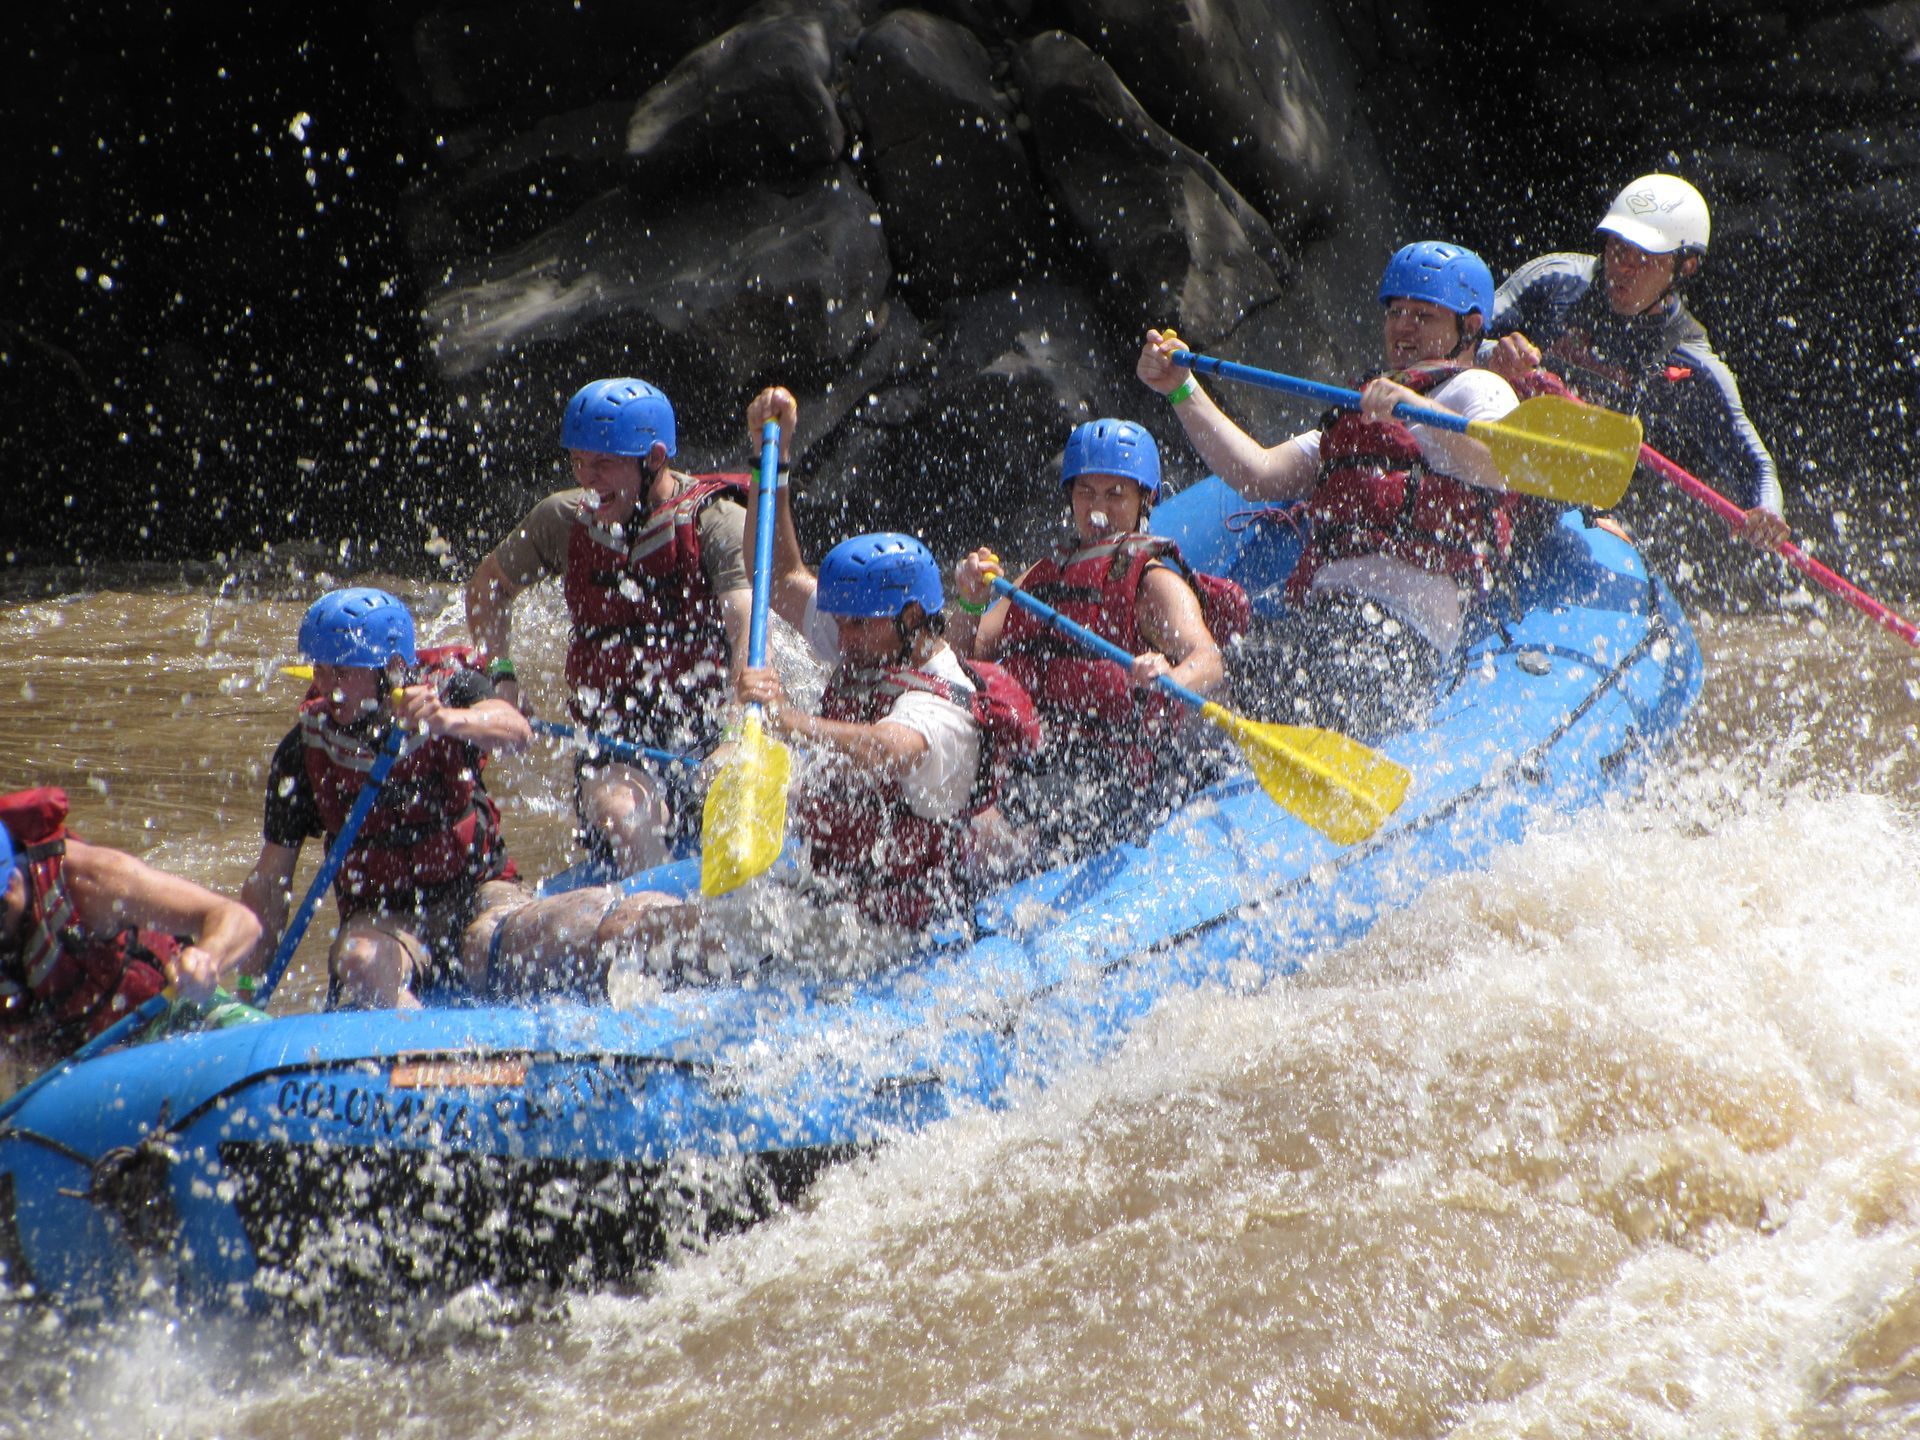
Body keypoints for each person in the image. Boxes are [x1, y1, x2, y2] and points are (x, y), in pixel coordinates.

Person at [487, 525, 1040, 991]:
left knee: (627, 929)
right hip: (823, 898)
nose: (841, 638)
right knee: (624, 916)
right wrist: (772, 461)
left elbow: (886, 750)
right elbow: (777, 577)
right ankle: (502, 934)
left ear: (913, 616)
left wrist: (787, 721)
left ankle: (509, 968)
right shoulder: (875, 641)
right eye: (840, 621)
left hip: (879, 935)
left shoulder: (942, 708)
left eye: (856, 625)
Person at [1137, 240, 1550, 738]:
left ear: (1471, 327)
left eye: (1424, 315)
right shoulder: (1362, 412)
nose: (1404, 326)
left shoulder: (1478, 390)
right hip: (1324, 622)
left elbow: (1501, 466)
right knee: (1208, 683)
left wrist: (1413, 410)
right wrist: (1182, 389)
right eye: (1397, 311)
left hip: (1399, 640)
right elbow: (1258, 475)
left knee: (1236, 686)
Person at [464, 377, 762, 876]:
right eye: (579, 462)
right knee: (627, 818)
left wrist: (737, 732)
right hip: (612, 743)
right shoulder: (561, 520)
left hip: (708, 734)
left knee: (771, 790)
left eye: (603, 464)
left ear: (655, 458)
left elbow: (747, 632)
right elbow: (487, 589)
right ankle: (654, 920)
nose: (587, 478)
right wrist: (502, 676)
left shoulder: (714, 522)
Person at [948, 418, 1241, 864]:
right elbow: (959, 658)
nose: (1097, 508)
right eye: (1086, 492)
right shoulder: (1045, 574)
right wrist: (969, 604)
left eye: (1114, 494)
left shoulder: (1151, 580)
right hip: (1040, 758)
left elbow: (1209, 660)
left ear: (1146, 499)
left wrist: (1168, 672)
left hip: (1115, 775)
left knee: (992, 823)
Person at [239, 587, 534, 1009]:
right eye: (320, 670)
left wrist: (448, 721)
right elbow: (270, 881)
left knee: (490, 940)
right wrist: (247, 992)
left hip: (476, 891)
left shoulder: (452, 691)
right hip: (382, 918)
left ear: (392, 669)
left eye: (341, 673)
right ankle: (416, 1055)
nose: (326, 687)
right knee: (360, 961)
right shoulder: (303, 751)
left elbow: (516, 731)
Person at [1481, 173, 1789, 548]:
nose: (1624, 267)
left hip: (1581, 509)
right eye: (1618, 248)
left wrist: (1767, 512)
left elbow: (1754, 464)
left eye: (1645, 256)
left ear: (1686, 266)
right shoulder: (1554, 282)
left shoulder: (1687, 356)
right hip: (1491, 468)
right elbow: (1455, 339)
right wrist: (1490, 356)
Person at [0, 786, 261, 1069]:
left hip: (171, 1020)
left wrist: (208, 957)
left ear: (12, 884)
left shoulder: (89, 881)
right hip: (70, 1081)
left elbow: (238, 918)